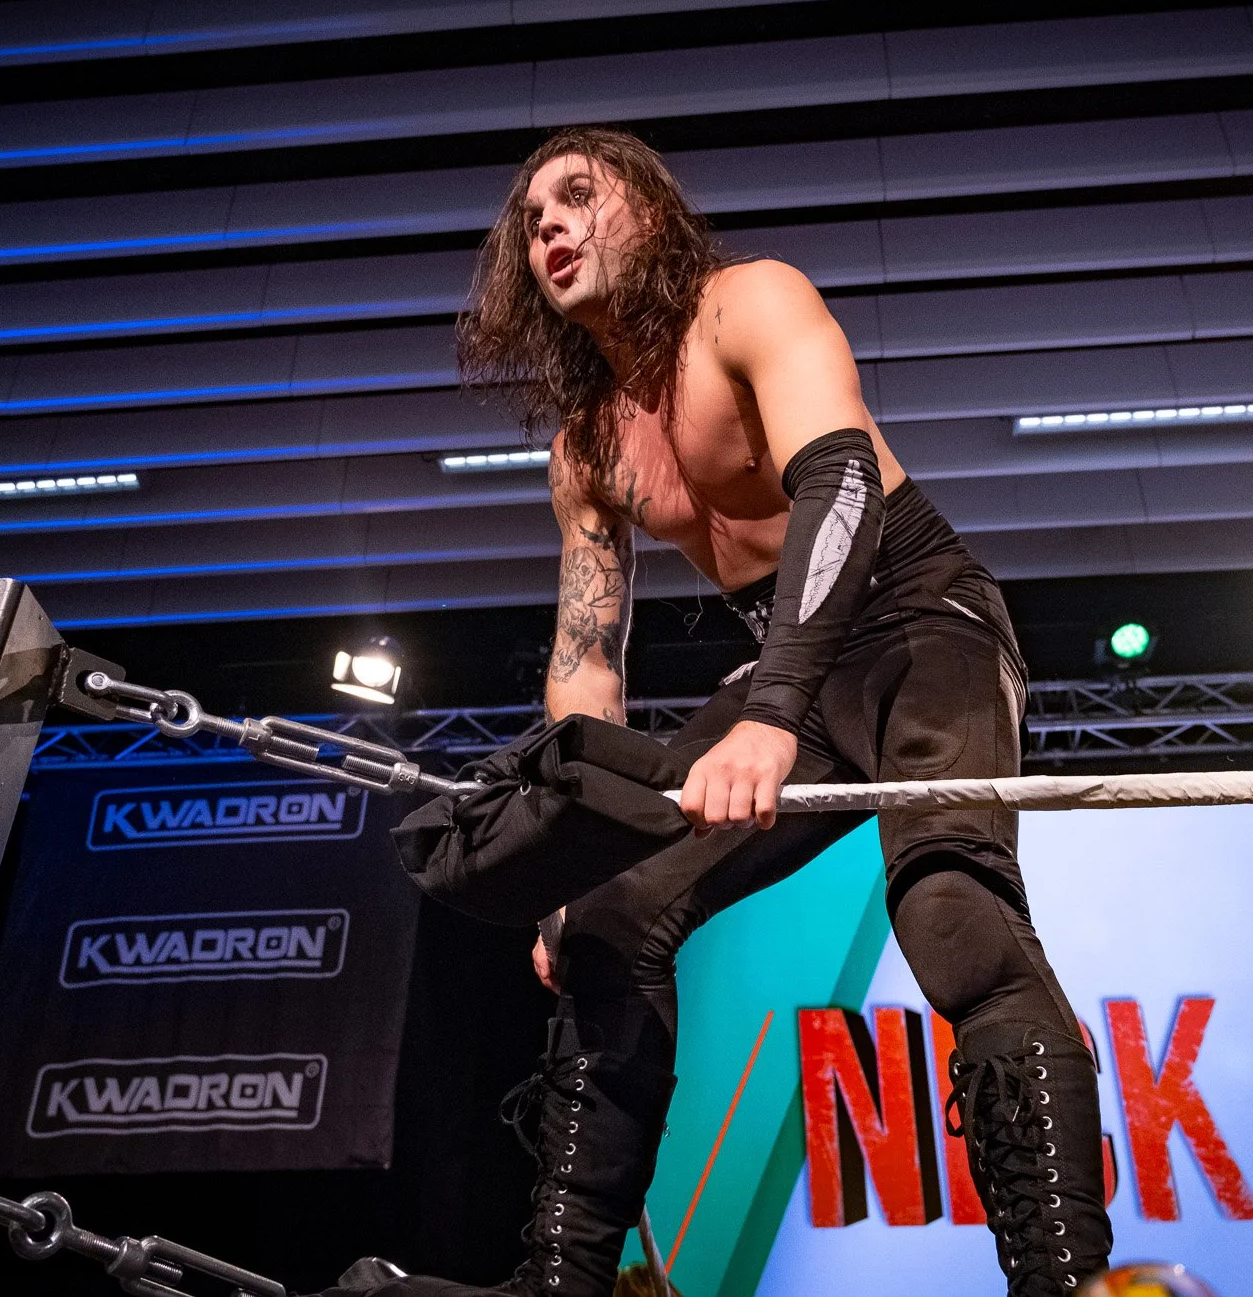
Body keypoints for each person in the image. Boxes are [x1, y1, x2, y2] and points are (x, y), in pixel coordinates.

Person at [326, 128, 1111, 1297]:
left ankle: (1063, 1277)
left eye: (576, 196)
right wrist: (562, 864)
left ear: (647, 210)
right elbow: (587, 667)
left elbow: (840, 484)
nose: (547, 227)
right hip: (786, 661)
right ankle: (560, 1280)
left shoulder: (747, 304)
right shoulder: (586, 447)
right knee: (604, 918)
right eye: (530, 218)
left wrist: (772, 712)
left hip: (919, 618)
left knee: (951, 908)